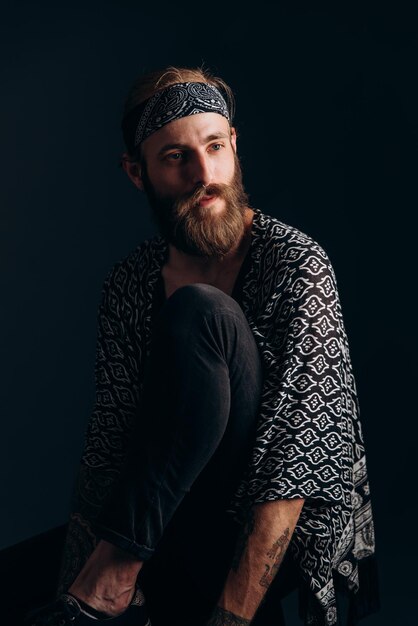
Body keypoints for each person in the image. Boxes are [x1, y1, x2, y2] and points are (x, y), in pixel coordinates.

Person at [29, 66, 379, 626]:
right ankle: (106, 585)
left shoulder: (296, 264)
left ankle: (115, 578)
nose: (203, 174)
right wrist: (75, 599)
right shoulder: (130, 282)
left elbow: (298, 464)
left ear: (234, 146)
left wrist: (231, 617)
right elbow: (111, 439)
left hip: (259, 528)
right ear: (135, 172)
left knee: (202, 311)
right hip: (160, 527)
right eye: (175, 157)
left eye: (215, 146)